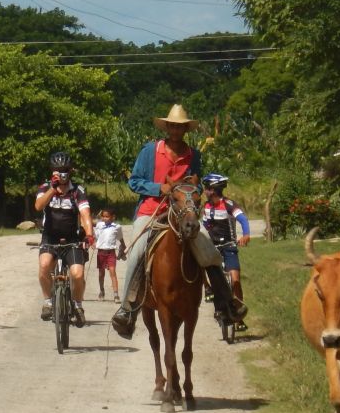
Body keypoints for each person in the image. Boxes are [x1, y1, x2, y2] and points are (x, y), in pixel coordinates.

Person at [109, 104, 246, 339]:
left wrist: (193, 190)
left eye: (180, 126)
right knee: (136, 253)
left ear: (185, 129)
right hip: (152, 211)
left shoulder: (194, 155)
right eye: (172, 125)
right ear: (167, 126)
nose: (176, 130)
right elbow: (134, 182)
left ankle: (226, 304)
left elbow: (197, 184)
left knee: (208, 251)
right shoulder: (150, 151)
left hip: (182, 213)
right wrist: (157, 187)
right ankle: (127, 309)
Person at [35, 151, 95, 325]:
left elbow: (85, 214)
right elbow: (39, 206)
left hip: (72, 238)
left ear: (70, 171)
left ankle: (77, 304)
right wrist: (53, 190)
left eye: (65, 170)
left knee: (77, 274)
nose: (62, 174)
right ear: (52, 171)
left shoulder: (78, 190)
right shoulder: (45, 188)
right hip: (50, 237)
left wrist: (89, 234)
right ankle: (48, 301)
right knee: (44, 266)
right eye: (58, 170)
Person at [201, 173, 251, 331]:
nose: (205, 191)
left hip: (229, 246)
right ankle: (208, 290)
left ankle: (239, 316)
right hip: (213, 247)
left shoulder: (229, 204)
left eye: (207, 188)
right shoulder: (206, 207)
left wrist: (246, 234)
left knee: (235, 280)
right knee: (201, 264)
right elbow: (206, 225)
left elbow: (242, 219)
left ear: (215, 189)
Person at [93, 208, 126, 301]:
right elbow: (96, 236)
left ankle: (116, 294)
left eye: (107, 216)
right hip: (101, 252)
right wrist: (93, 242)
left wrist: (123, 247)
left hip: (111, 253)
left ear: (113, 217)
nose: (104, 218)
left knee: (112, 272)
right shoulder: (99, 225)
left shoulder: (117, 227)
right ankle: (102, 291)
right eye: (103, 216)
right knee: (101, 273)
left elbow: (120, 238)